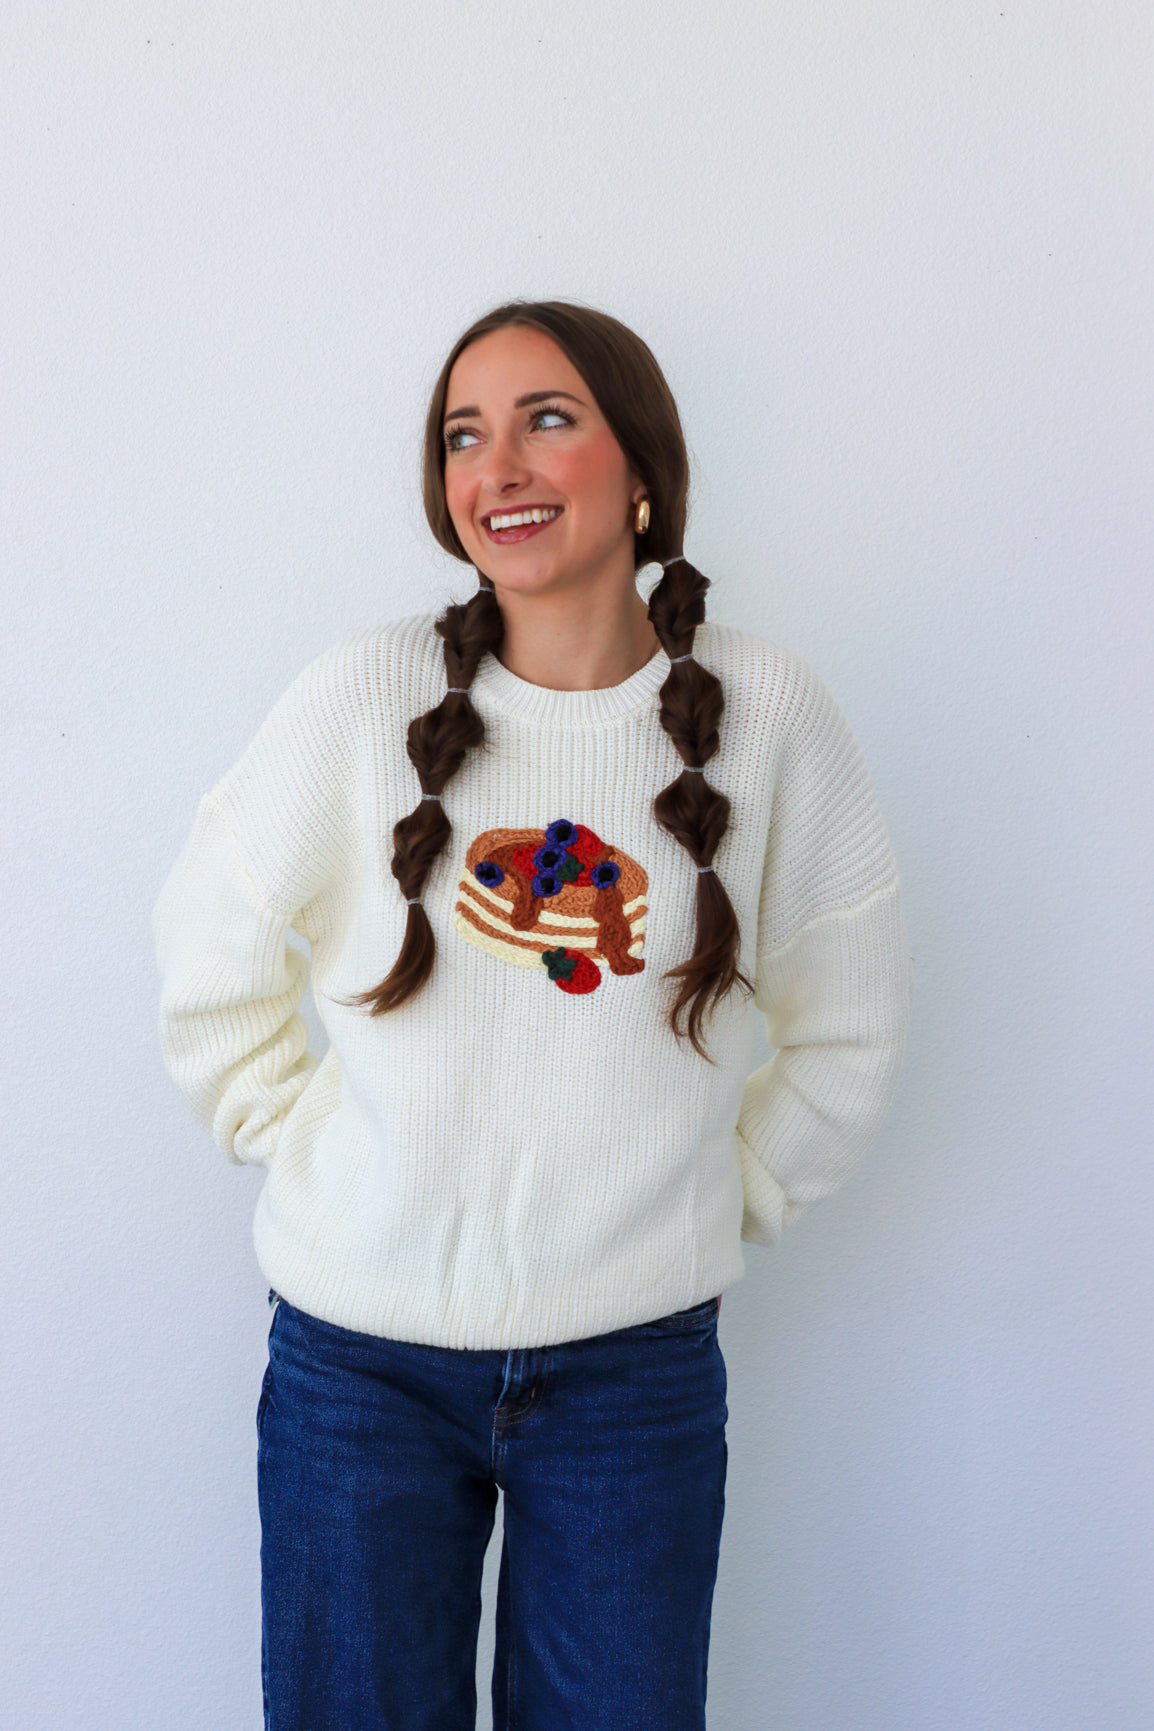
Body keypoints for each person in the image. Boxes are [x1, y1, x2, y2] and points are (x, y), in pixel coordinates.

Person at [151, 299, 912, 1730]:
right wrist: (301, 1139)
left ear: (642, 474)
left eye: (545, 419)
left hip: (635, 1375)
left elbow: (849, 1022)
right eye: (462, 435)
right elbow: (210, 955)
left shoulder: (769, 713)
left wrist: (714, 1199)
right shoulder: (360, 699)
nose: (496, 465)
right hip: (355, 1375)